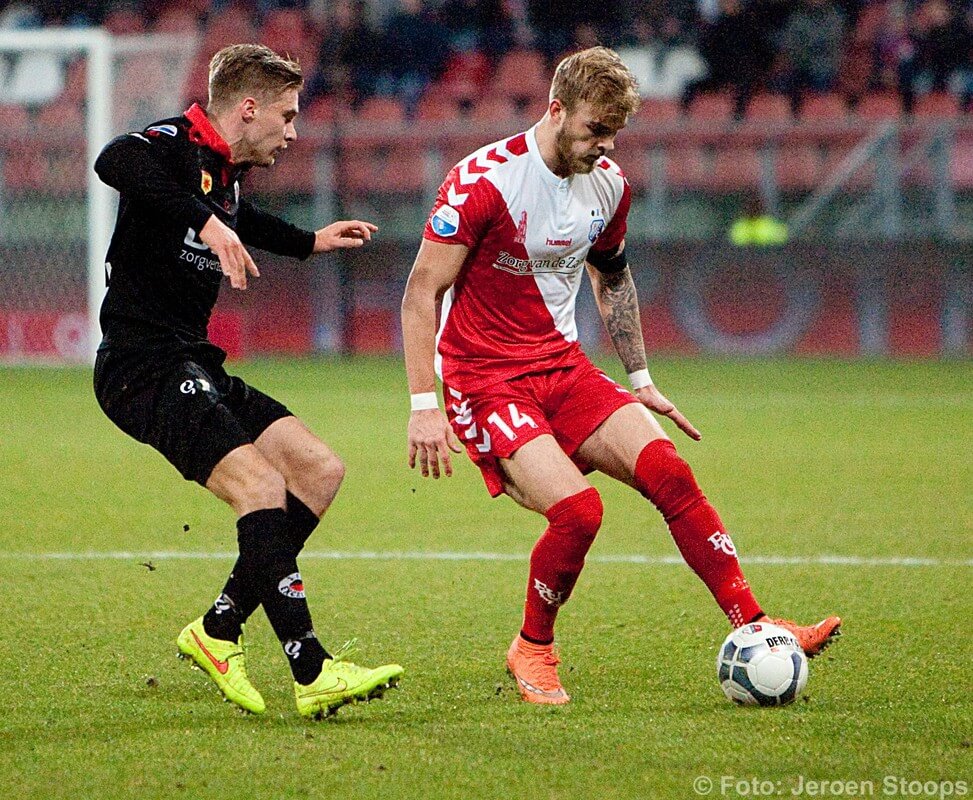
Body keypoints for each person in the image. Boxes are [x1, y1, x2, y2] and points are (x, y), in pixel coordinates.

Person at [401, 46, 841, 705]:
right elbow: (420, 292)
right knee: (578, 513)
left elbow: (612, 276)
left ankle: (754, 626)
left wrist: (638, 377)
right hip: (484, 379)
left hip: (562, 366)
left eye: (613, 133)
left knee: (670, 473)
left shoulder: (607, 185)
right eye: (593, 131)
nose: (603, 147)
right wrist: (421, 403)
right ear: (555, 110)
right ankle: (533, 648)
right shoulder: (483, 182)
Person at [93, 44, 403, 719]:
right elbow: (112, 160)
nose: (292, 133)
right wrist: (202, 220)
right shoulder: (176, 144)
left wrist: (307, 241)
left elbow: (240, 220)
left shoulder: (224, 177)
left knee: (318, 470)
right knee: (261, 486)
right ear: (248, 107)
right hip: (141, 367)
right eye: (287, 117)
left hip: (193, 363)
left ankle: (219, 629)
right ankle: (311, 668)